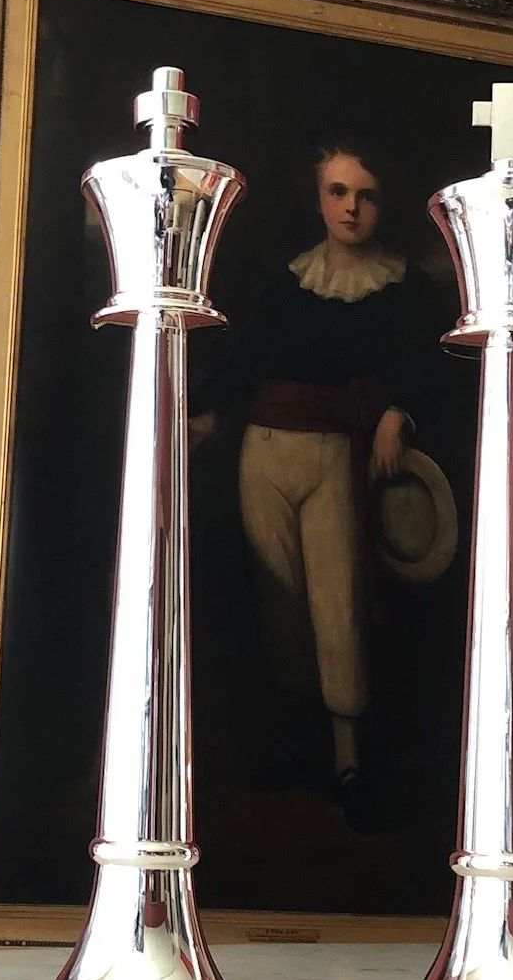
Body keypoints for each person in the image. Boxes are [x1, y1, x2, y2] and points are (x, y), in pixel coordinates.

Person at [189, 139, 445, 831]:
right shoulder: (289, 280)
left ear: (382, 203)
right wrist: (205, 414)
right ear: (319, 199)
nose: (351, 207)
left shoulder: (402, 287)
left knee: (338, 605)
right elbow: (250, 360)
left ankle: (348, 761)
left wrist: (396, 413)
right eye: (338, 192)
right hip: (265, 453)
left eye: (364, 195)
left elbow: (422, 364)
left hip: (337, 453)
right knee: (282, 602)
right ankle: (303, 749)